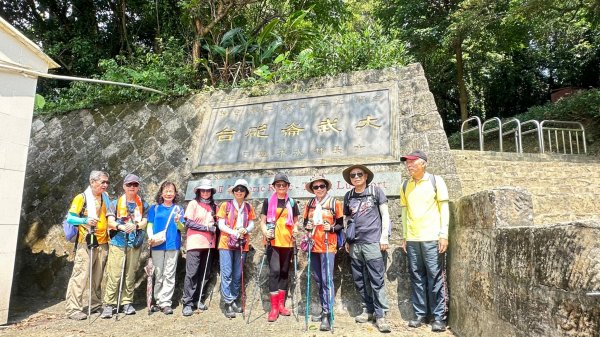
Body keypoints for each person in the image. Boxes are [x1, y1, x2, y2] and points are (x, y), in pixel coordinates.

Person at [399, 150, 450, 332]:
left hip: (432, 238)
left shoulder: (436, 181)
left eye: (412, 162)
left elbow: (444, 209)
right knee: (417, 277)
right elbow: (405, 212)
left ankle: (439, 317)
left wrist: (443, 235)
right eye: (407, 162)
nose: (409, 165)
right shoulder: (406, 185)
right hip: (413, 239)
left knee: (435, 277)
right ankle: (420, 313)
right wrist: (405, 236)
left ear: (423, 164)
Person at [342, 164, 392, 333]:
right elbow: (347, 218)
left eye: (359, 174)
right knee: (359, 279)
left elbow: (385, 215)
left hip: (373, 242)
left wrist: (384, 237)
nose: (356, 177)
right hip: (355, 243)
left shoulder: (375, 192)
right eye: (353, 175)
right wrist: (347, 240)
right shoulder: (348, 196)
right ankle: (367, 309)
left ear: (365, 176)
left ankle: (380, 315)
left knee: (376, 279)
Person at [65, 170, 111, 320]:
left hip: (103, 242)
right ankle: (73, 309)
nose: (105, 185)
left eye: (107, 182)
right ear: (92, 182)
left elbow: (109, 215)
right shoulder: (81, 198)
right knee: (80, 275)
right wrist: (84, 221)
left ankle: (96, 304)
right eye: (102, 182)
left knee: (97, 277)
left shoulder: (105, 196)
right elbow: (71, 218)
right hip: (86, 242)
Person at [101, 173, 149, 318]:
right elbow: (110, 221)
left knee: (130, 273)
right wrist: (122, 227)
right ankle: (109, 304)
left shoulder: (144, 204)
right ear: (124, 186)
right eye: (129, 185)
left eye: (135, 185)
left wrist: (134, 226)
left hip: (134, 243)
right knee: (114, 274)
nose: (132, 187)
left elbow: (145, 221)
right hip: (118, 243)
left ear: (138, 187)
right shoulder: (114, 204)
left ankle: (126, 302)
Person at [302, 174, 343, 331]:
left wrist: (331, 228)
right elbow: (306, 222)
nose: (319, 189)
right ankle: (323, 307)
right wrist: (308, 225)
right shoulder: (310, 204)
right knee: (318, 279)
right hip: (314, 245)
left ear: (326, 187)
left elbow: (340, 224)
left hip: (328, 245)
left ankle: (327, 312)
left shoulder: (334, 203)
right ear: (312, 189)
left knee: (327, 280)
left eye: (322, 186)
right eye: (316, 187)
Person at [260, 172, 300, 322]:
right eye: (278, 185)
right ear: (274, 186)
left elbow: (296, 221)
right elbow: (262, 221)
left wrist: (296, 228)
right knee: (274, 272)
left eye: (284, 185)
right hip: (273, 241)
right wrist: (264, 231)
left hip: (288, 242)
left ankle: (281, 305)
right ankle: (274, 308)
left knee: (284, 272)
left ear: (288, 186)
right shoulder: (268, 201)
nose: (281, 187)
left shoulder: (292, 202)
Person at [216, 179, 256, 318]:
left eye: (242, 189)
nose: (239, 192)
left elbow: (251, 224)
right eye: (237, 189)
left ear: (245, 192)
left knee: (238, 274)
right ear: (233, 191)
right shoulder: (225, 205)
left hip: (242, 243)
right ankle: (227, 302)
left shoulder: (248, 207)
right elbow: (220, 224)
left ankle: (233, 298)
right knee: (227, 273)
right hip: (226, 243)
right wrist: (234, 232)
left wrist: (244, 230)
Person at [181, 179, 218, 316]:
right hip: (195, 243)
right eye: (203, 190)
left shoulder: (214, 206)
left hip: (209, 244)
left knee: (205, 273)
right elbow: (188, 222)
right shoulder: (193, 203)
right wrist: (206, 228)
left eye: (208, 190)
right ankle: (187, 302)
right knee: (192, 273)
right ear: (198, 191)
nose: (205, 192)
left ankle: (198, 299)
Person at [146, 181, 185, 315]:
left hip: (172, 244)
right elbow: (149, 225)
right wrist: (150, 236)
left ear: (175, 194)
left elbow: (182, 228)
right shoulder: (155, 208)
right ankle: (157, 300)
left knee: (169, 273)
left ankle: (166, 302)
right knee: (158, 272)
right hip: (157, 244)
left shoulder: (179, 209)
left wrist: (178, 221)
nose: (169, 193)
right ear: (161, 193)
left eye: (171, 191)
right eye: (166, 191)